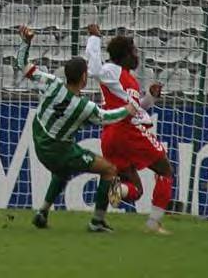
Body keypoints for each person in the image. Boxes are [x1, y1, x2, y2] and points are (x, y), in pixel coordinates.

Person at [15, 25, 137, 233]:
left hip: (40, 142)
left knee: (62, 172)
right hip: (59, 150)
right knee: (109, 170)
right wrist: (127, 109)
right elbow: (106, 117)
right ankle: (97, 221)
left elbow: (22, 65)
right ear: (83, 78)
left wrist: (26, 42)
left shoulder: (52, 83)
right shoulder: (83, 107)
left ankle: (42, 212)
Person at [85, 24, 174, 235]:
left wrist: (150, 97)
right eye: (134, 52)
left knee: (135, 189)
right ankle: (154, 224)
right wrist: (95, 39)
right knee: (165, 171)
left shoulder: (128, 78)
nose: (137, 56)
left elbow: (135, 107)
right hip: (127, 131)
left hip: (112, 136)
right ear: (124, 55)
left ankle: (111, 201)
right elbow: (94, 70)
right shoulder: (112, 70)